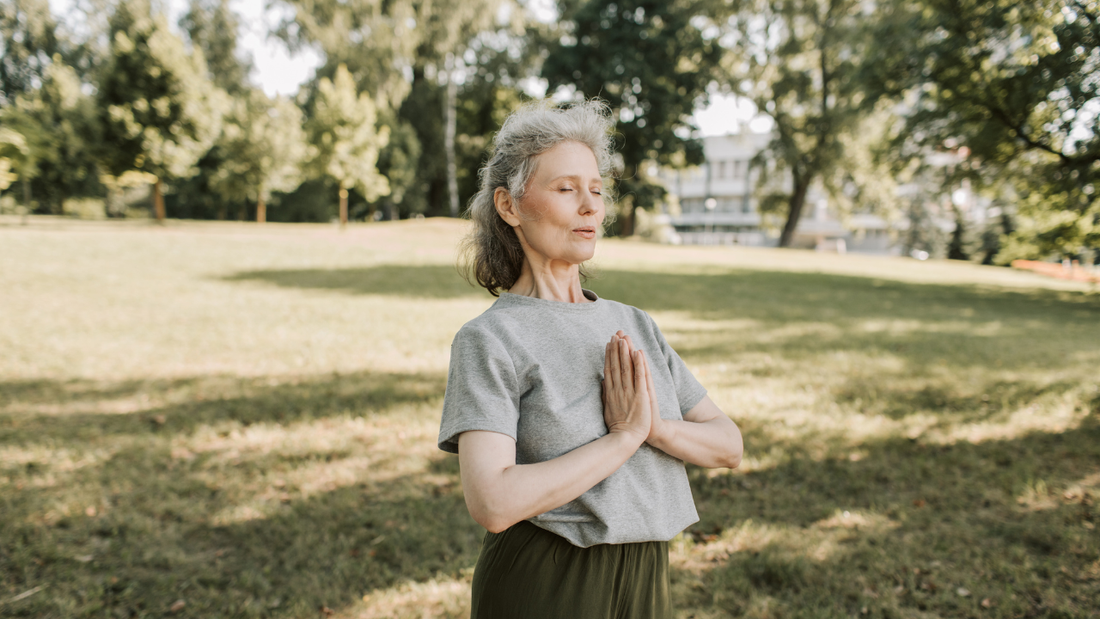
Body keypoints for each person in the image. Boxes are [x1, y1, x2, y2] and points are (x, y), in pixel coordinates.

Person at [438, 100, 743, 619]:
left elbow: (728, 444)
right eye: (566, 189)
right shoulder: (491, 338)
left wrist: (652, 429)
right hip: (548, 581)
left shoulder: (636, 323)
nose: (591, 207)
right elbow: (492, 502)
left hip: (646, 575)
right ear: (509, 206)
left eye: (597, 190)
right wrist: (622, 438)